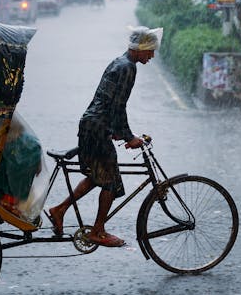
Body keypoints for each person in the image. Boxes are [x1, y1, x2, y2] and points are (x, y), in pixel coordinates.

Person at [47, 26, 162, 247]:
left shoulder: (120, 62)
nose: (152, 55)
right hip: (98, 128)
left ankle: (59, 210)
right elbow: (118, 106)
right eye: (150, 50)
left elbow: (109, 103)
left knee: (97, 176)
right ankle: (97, 231)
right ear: (140, 48)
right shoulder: (128, 68)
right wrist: (128, 137)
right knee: (110, 182)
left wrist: (121, 133)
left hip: (92, 125)